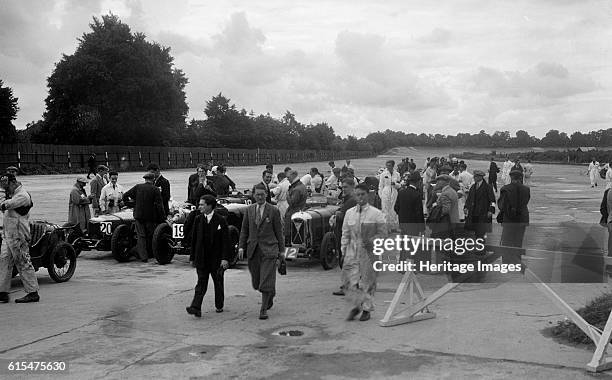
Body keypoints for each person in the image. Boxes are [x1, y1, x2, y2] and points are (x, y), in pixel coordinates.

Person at [238, 183, 285, 320]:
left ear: (266, 195)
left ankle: (263, 309)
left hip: (269, 249)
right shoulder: (249, 210)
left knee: (265, 280)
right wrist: (241, 247)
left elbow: (279, 232)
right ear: (253, 195)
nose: (260, 197)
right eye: (257, 194)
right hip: (253, 250)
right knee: (257, 282)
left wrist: (282, 252)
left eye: (262, 194)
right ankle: (270, 291)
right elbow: (244, 230)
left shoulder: (274, 211)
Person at [341, 183, 387, 321]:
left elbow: (383, 234)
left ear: (368, 195)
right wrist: (343, 250)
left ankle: (366, 309)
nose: (360, 197)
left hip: (369, 251)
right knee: (350, 281)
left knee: (368, 281)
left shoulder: (376, 214)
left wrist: (372, 241)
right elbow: (345, 233)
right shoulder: (349, 213)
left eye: (362, 194)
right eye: (357, 195)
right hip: (352, 250)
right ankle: (357, 305)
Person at [186, 195, 231, 317]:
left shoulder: (221, 220)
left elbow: (226, 241)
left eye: (202, 204)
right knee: (201, 283)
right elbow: (194, 240)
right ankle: (196, 307)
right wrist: (192, 257)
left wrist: (225, 258)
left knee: (218, 283)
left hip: (216, 260)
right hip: (202, 258)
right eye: (199, 204)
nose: (199, 206)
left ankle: (219, 304)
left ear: (210, 206)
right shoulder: (198, 219)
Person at [0, 173, 39, 304]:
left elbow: (4, 205)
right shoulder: (13, 194)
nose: (6, 189)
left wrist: (1, 191)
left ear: (12, 183)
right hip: (9, 235)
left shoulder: (22, 196)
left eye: (6, 187)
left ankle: (32, 292)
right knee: (4, 262)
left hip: (19, 236)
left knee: (23, 262)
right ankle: (3, 292)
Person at [123, 172, 165, 262]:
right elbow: (159, 206)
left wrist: (132, 205)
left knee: (141, 236)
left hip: (138, 216)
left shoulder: (138, 187)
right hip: (150, 217)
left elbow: (125, 196)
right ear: (153, 180)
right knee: (152, 236)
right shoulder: (155, 189)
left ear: (145, 179)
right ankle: (152, 253)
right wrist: (163, 218)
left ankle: (143, 257)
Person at [331, 177, 358, 296]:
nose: (343, 189)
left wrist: (337, 215)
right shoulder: (348, 199)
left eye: (346, 187)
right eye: (342, 187)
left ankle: (347, 286)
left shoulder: (351, 200)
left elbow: (347, 217)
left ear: (352, 187)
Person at [498, 170, 530, 263]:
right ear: (521, 178)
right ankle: (517, 262)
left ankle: (507, 262)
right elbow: (525, 202)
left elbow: (501, 205)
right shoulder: (526, 189)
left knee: (507, 242)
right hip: (522, 219)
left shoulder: (505, 189)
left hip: (509, 220)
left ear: (511, 177)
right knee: (518, 242)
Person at [394, 171, 425, 262]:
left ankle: (402, 266)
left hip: (403, 224)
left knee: (403, 245)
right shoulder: (417, 195)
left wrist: (403, 215)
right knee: (412, 246)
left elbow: (396, 208)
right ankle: (411, 267)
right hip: (413, 225)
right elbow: (419, 213)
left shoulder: (402, 192)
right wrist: (422, 228)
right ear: (418, 182)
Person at [464, 170, 496, 241]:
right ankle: (477, 248)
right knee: (474, 233)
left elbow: (492, 201)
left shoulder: (488, 187)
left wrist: (491, 211)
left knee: (481, 233)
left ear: (480, 177)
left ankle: (481, 249)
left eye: (476, 176)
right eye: (474, 176)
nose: (474, 178)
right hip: (473, 214)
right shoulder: (473, 187)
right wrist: (466, 207)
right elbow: (469, 199)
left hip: (483, 214)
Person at [285, 170, 308, 240]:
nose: (287, 179)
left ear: (293, 176)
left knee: (291, 235)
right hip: (301, 211)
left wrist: (287, 195)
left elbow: (292, 203)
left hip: (294, 213)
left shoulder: (296, 189)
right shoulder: (302, 185)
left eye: (288, 177)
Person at [378, 160, 401, 230]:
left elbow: (399, 185)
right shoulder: (383, 174)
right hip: (385, 191)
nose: (388, 167)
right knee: (385, 210)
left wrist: (395, 184)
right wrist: (381, 195)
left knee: (393, 209)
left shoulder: (397, 174)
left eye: (389, 165)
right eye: (387, 165)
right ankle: (386, 227)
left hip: (394, 192)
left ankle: (394, 226)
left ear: (393, 166)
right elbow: (380, 186)